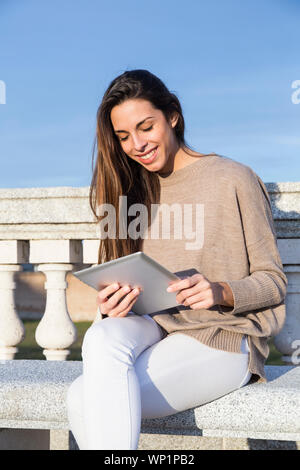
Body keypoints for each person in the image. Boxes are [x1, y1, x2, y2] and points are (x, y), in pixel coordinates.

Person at [66, 69, 287, 450]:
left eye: (145, 126)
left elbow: (273, 280)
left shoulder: (233, 178)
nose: (136, 143)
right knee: (102, 334)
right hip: (155, 328)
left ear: (172, 115)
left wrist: (220, 291)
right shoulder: (132, 191)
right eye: (123, 136)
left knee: (81, 397)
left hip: (222, 338)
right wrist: (113, 307)